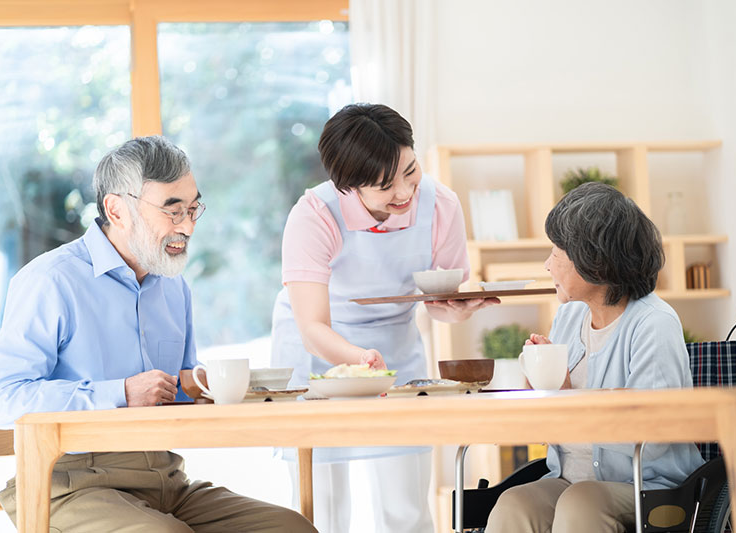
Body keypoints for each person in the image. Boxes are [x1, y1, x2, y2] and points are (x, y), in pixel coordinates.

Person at [0, 136, 316, 533]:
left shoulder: (174, 287)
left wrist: (197, 385)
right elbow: (0, 400)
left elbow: (175, 388)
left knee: (288, 527)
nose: (187, 226)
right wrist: (119, 392)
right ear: (116, 210)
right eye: (172, 212)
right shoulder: (51, 281)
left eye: (193, 210)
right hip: (68, 486)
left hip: (165, 481)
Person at [271, 103, 497, 533]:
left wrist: (457, 309)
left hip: (394, 343)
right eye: (383, 185)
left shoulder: (441, 205)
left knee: (406, 504)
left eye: (410, 170)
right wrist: (359, 360)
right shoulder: (314, 216)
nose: (405, 192)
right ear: (347, 186)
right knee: (322, 506)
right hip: (321, 351)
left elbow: (436, 303)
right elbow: (312, 325)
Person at [485, 182, 705, 533]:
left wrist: (573, 400)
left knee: (582, 502)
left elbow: (656, 436)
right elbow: (556, 420)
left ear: (595, 260)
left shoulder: (654, 323)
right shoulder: (570, 317)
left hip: (651, 487)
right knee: (513, 504)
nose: (547, 264)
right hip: (569, 480)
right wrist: (543, 392)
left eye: (557, 251)